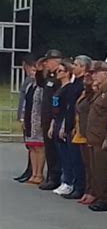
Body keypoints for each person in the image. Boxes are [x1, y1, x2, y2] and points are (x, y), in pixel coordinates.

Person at [60, 55, 91, 199]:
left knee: (78, 159)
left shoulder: (82, 85)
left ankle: (80, 186)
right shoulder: (74, 84)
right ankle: (75, 184)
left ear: (84, 68)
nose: (74, 66)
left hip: (77, 126)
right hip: (69, 123)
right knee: (72, 158)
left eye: (77, 64)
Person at [86, 62, 107, 212]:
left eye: (96, 73)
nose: (94, 76)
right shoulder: (99, 90)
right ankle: (99, 194)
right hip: (94, 136)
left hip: (102, 136)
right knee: (95, 169)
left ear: (106, 73)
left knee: (103, 170)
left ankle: (106, 198)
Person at [47, 59, 77, 196]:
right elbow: (56, 109)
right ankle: (64, 181)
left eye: (60, 71)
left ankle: (69, 182)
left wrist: (63, 127)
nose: (57, 73)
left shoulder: (69, 89)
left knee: (66, 155)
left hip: (64, 122)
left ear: (67, 73)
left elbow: (68, 109)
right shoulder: (59, 88)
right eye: (57, 71)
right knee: (60, 153)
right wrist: (53, 124)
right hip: (57, 120)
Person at [36, 49, 62, 190]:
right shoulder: (50, 76)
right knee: (49, 149)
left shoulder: (60, 76)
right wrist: (40, 70)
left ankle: (55, 176)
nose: (46, 64)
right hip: (46, 117)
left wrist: (54, 117)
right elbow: (41, 83)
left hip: (54, 117)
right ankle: (51, 174)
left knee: (55, 149)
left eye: (48, 61)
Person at [73, 65, 95, 204]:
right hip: (81, 130)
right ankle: (88, 190)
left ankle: (92, 191)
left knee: (92, 166)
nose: (87, 78)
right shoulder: (84, 93)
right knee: (86, 165)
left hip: (90, 132)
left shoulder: (95, 94)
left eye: (91, 75)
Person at [22, 60, 45, 185]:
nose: (33, 73)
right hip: (28, 118)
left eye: (36, 71)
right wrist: (23, 118)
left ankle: (39, 174)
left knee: (39, 147)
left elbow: (43, 105)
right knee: (31, 146)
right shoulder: (30, 86)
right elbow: (26, 103)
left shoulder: (41, 88)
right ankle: (33, 172)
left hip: (38, 119)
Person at [14, 54, 36, 182]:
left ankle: (32, 170)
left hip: (30, 116)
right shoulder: (28, 80)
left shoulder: (32, 81)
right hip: (26, 116)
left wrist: (22, 117)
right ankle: (29, 170)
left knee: (33, 145)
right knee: (29, 145)